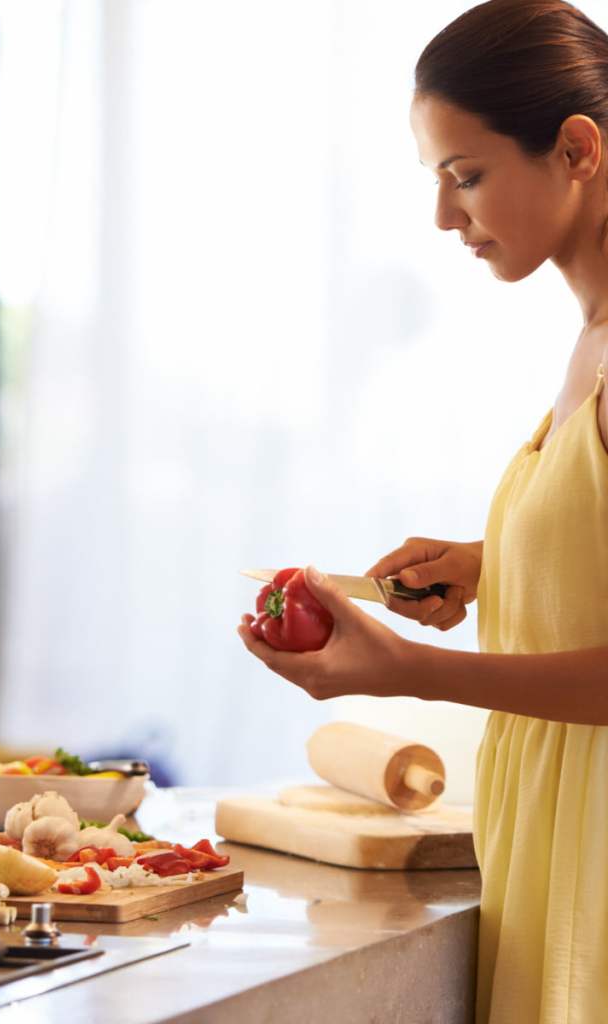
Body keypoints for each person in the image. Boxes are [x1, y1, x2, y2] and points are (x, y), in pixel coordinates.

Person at [237, 1, 608, 1021]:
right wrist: (494, 564)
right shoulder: (589, 343)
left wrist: (409, 671)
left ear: (575, 149)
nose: (447, 217)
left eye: (466, 174)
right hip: (555, 838)